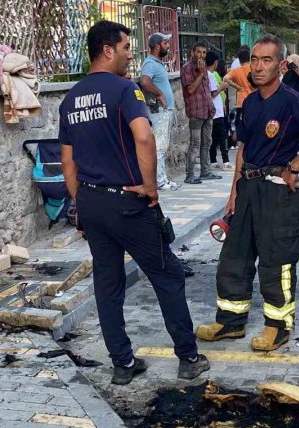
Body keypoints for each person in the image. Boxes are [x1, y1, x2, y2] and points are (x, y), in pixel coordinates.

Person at [59, 21, 210, 385]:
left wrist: (82, 203)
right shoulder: (125, 91)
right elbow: (144, 138)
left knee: (108, 283)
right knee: (167, 274)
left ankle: (122, 365)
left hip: (92, 202)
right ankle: (188, 358)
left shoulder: (70, 98)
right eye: (126, 47)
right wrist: (150, 187)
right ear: (107, 50)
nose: (130, 54)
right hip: (128, 200)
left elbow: (67, 162)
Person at [195, 34, 299, 351]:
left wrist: (294, 168)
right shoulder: (251, 102)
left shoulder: (290, 100)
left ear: (281, 65)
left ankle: (278, 326)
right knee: (234, 257)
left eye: (266, 60)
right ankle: (230, 322)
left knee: (276, 260)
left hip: (276, 192)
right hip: (248, 189)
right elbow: (243, 148)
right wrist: (233, 192)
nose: (258, 66)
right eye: (254, 59)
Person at [139, 32, 181, 191]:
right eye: (165, 43)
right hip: (159, 112)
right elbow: (145, 81)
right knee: (159, 148)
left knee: (161, 147)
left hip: (163, 112)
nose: (168, 46)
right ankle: (161, 182)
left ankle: (162, 179)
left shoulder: (156, 63)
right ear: (157, 46)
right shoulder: (150, 63)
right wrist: (160, 95)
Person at [181, 42, 223, 184]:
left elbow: (207, 90)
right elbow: (191, 90)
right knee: (195, 143)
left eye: (204, 53)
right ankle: (190, 174)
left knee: (207, 142)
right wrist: (200, 73)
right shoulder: (187, 68)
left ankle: (205, 171)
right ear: (192, 52)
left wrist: (211, 107)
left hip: (207, 111)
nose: (202, 55)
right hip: (195, 111)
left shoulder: (204, 68)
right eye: (199, 52)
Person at [207, 51, 232, 170]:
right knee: (222, 137)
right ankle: (226, 161)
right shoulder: (210, 75)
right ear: (215, 62)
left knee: (214, 137)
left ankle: (213, 160)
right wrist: (222, 87)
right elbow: (213, 93)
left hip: (214, 111)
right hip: (216, 111)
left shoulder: (208, 75)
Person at [224, 47, 253, 146]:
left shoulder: (236, 71)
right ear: (249, 58)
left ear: (239, 59)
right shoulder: (253, 68)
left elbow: (225, 78)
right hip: (253, 100)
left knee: (241, 124)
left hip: (241, 101)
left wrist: (237, 86)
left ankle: (241, 142)